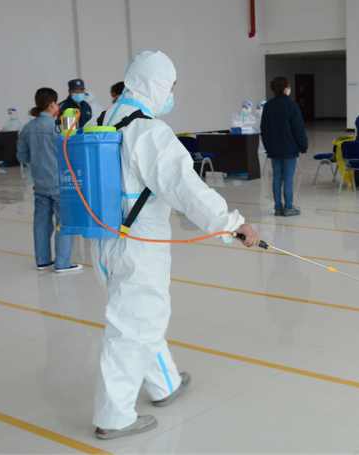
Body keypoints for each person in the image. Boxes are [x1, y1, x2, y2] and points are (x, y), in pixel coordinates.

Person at [85, 50, 260, 439]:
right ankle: (113, 418)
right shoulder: (148, 131)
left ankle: (165, 383)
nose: (172, 95)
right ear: (157, 85)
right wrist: (233, 225)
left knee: (139, 317)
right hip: (137, 245)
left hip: (102, 241)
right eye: (171, 87)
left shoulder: (100, 120)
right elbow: (185, 187)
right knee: (134, 325)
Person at [16, 88, 82, 275]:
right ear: (53, 103)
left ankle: (43, 261)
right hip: (61, 184)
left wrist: (39, 162)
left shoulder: (28, 128)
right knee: (64, 223)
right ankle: (62, 263)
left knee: (41, 225)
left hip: (40, 184)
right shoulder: (57, 127)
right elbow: (71, 153)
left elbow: (22, 157)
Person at [260, 76, 308, 216]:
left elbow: (264, 128)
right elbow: (298, 128)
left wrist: (268, 146)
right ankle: (288, 207)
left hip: (274, 148)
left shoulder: (268, 106)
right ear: (286, 89)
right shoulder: (291, 105)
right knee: (288, 178)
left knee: (276, 177)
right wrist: (303, 146)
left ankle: (278, 207)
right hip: (289, 148)